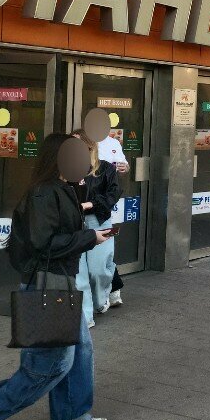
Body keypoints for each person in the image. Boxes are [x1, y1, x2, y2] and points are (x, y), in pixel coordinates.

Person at [0, 134, 112, 420]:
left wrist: (88, 232)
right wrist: (89, 237)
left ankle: (72, 418)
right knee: (48, 368)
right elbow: (43, 244)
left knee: (80, 353)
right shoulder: (44, 193)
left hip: (59, 284)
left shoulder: (61, 188)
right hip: (46, 287)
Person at [72, 130, 122, 327]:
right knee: (79, 274)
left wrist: (92, 204)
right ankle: (85, 317)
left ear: (89, 146)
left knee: (97, 270)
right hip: (75, 224)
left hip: (100, 222)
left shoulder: (106, 168)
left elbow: (114, 193)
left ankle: (101, 298)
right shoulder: (66, 171)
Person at [97, 134, 128, 308]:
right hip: (87, 204)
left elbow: (123, 165)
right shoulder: (81, 142)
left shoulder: (113, 142)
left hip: (104, 205)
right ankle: (109, 291)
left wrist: (124, 167)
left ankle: (113, 289)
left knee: (104, 251)